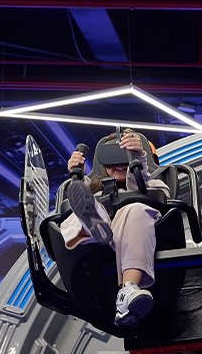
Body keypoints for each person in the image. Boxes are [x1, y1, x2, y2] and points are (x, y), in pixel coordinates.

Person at [61, 129, 171, 326]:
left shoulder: (155, 183)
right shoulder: (91, 190)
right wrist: (78, 178)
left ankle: (128, 289)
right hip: (91, 248)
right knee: (77, 210)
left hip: (133, 237)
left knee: (136, 208)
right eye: (111, 155)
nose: (118, 162)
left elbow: (152, 195)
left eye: (124, 155)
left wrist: (137, 162)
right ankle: (96, 223)